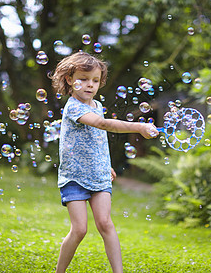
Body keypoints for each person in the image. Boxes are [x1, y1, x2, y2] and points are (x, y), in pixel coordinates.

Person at [51, 51, 159, 273]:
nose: (90, 85)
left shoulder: (97, 105)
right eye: (83, 79)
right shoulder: (73, 107)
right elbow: (101, 125)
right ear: (70, 80)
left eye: (95, 80)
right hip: (74, 177)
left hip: (98, 174)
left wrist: (104, 164)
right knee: (79, 229)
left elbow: (97, 140)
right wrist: (138, 126)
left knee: (105, 223)